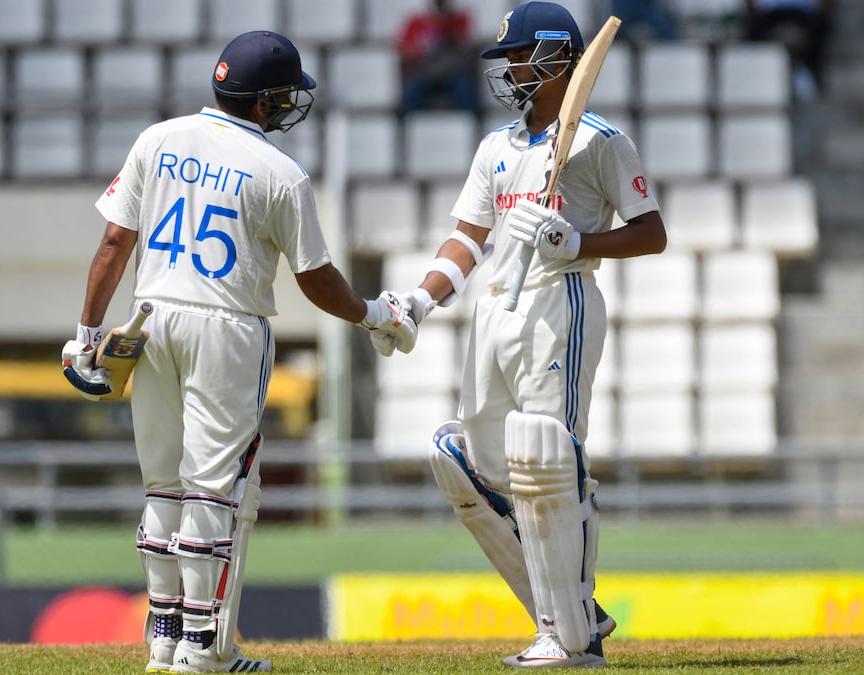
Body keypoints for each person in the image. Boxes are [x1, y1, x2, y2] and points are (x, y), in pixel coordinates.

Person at [60, 30, 416, 674]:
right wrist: (373, 315)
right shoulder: (281, 173)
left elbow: (114, 243)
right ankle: (203, 648)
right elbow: (316, 280)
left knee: (163, 486)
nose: (290, 106)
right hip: (227, 327)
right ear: (264, 101)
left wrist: (87, 335)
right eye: (285, 96)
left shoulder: (157, 139)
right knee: (213, 490)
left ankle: (163, 637)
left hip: (150, 318)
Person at [373, 2, 666, 668]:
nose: (507, 71)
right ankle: (576, 612)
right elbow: (468, 239)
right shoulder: (496, 147)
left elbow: (652, 233)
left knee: (547, 458)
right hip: (494, 314)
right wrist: (419, 300)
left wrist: (578, 242)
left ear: (557, 59)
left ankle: (569, 634)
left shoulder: (600, 141)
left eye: (518, 58)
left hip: (558, 302)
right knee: (461, 461)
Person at [396, 0, 480, 115]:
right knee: (412, 92)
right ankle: (407, 123)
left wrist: (448, 26)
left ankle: (471, 122)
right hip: (425, 73)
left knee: (464, 89)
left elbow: (466, 47)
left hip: (453, 73)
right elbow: (405, 49)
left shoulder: (459, 19)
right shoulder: (417, 22)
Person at [744, 0, 833, 100]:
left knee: (822, 25)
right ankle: (755, 76)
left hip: (804, 12)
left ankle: (812, 70)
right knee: (751, 28)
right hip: (770, 12)